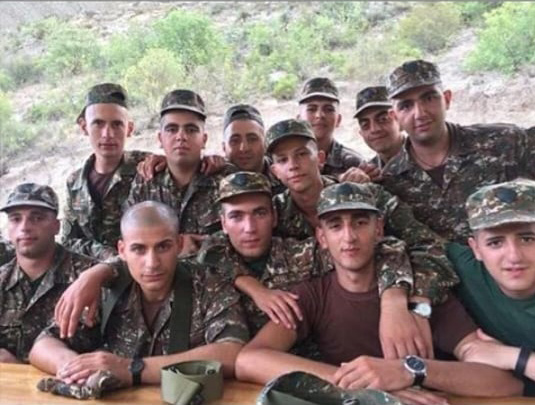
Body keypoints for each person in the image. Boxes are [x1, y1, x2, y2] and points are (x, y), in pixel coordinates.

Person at [236, 182, 522, 402]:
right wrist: (362, 386)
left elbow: (505, 383)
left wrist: (411, 371)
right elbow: (249, 360)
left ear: (379, 229)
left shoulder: (418, 296)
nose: (349, 237)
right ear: (321, 237)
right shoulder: (314, 295)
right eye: (336, 226)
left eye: (360, 222)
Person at [29, 201, 249, 391]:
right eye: (139, 249)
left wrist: (131, 369)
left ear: (180, 245)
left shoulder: (208, 284)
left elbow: (231, 352)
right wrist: (74, 368)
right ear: (122, 251)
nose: (152, 263)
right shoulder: (108, 289)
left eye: (163, 247)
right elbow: (43, 343)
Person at [380, 59, 535, 243]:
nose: (420, 113)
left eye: (429, 98)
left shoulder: (504, 142)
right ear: (394, 116)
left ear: (446, 99)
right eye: (406, 106)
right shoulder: (391, 180)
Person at [446, 178, 535, 396]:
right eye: (495, 243)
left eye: (527, 239)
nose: (513, 256)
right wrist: (396, 299)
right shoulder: (464, 268)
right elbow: (412, 238)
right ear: (475, 248)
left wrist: (515, 358)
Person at [0, 183, 100, 363]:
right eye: (15, 219)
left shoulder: (88, 276)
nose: (25, 227)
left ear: (56, 226)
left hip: (74, 377)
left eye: (37, 218)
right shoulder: (2, 281)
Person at [126, 89, 233, 255]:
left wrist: (202, 244)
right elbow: (131, 238)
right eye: (171, 129)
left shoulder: (226, 180)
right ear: (160, 139)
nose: (181, 136)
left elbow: (244, 234)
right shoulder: (146, 182)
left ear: (204, 139)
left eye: (191, 130)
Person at [62, 83, 153, 260]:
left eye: (117, 124)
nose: (107, 134)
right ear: (84, 127)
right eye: (98, 123)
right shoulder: (75, 183)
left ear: (129, 129)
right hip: (93, 271)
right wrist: (104, 253)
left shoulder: (148, 168)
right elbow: (69, 241)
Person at [297, 77, 371, 182]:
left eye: (328, 109)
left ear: (338, 120)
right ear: (298, 119)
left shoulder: (353, 164)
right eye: (312, 109)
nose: (319, 115)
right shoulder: (285, 160)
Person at [222, 104, 284, 194]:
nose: (244, 148)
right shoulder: (213, 182)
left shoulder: (286, 175)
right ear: (224, 147)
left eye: (252, 139)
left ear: (265, 143)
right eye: (235, 140)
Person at [353, 86, 404, 169]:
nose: (374, 129)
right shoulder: (370, 171)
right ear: (361, 133)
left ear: (400, 120)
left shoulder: (424, 158)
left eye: (383, 119)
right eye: (365, 124)